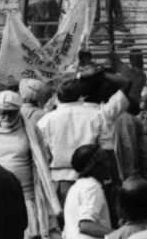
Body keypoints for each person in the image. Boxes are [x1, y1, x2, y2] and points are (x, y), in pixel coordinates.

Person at [0, 90, 61, 239]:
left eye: (11, 113)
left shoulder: (31, 129)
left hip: (26, 196)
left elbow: (43, 160)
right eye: (3, 112)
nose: (6, 117)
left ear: (19, 110)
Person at [37, 77, 109, 208]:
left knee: (65, 224)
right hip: (92, 179)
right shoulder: (96, 116)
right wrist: (113, 179)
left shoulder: (45, 121)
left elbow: (43, 156)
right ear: (81, 96)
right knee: (92, 221)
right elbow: (108, 150)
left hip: (59, 180)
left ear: (58, 96)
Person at [63, 145, 114, 239]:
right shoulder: (92, 187)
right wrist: (120, 235)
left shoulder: (74, 188)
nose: (109, 165)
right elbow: (86, 226)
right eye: (104, 162)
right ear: (95, 167)